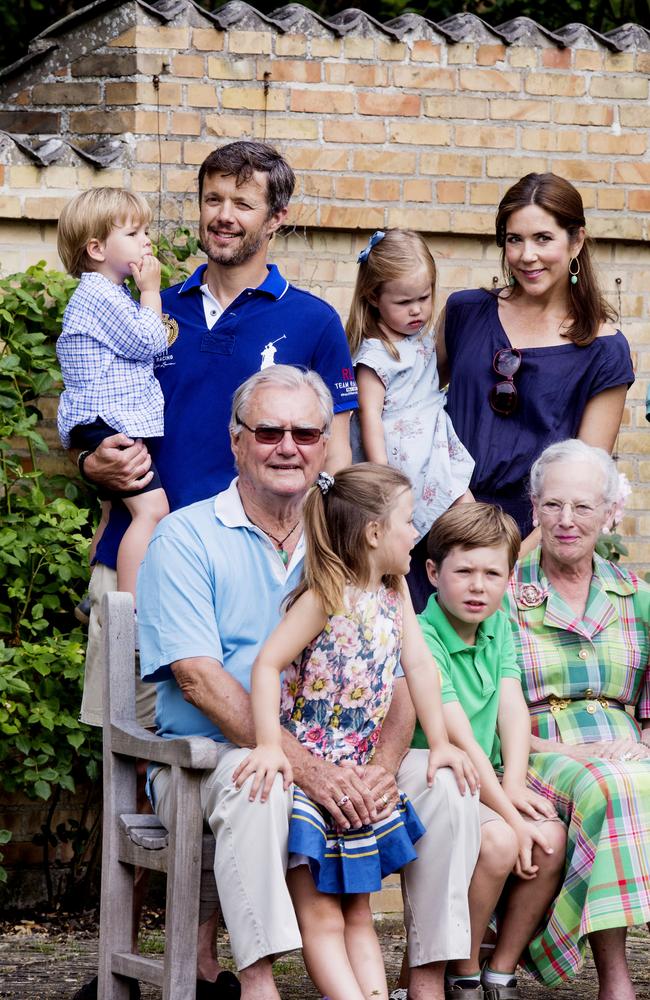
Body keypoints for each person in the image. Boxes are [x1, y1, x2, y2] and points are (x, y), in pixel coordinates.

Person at [71, 141, 357, 1000]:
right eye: (211, 198)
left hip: (261, 562)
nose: (223, 215)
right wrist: (91, 464)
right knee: (148, 745)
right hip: (142, 553)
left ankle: (201, 967)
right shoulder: (146, 305)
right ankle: (170, 961)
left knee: (233, 732)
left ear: (278, 218)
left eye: (242, 202)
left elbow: (330, 455)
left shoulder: (307, 320)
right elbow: (90, 394)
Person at [137, 366, 481, 1000]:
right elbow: (198, 680)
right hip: (216, 757)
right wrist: (312, 771)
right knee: (260, 785)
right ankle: (259, 984)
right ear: (236, 440)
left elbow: (404, 671)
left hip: (350, 753)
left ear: (326, 444)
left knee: (446, 788)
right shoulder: (186, 538)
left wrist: (381, 767)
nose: (287, 446)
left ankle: (427, 979)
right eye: (268, 431)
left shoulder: (354, 546)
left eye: (305, 431)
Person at [233, 464, 478, 1000]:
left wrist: (439, 742)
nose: (418, 533)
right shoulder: (326, 594)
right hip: (311, 785)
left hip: (358, 784)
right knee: (322, 918)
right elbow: (267, 664)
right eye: (409, 522)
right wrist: (272, 747)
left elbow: (420, 667)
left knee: (359, 915)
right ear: (374, 533)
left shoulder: (394, 595)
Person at [503, 439, 650, 999]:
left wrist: (642, 746)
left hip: (626, 757)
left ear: (611, 513)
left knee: (628, 779)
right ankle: (615, 977)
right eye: (553, 506)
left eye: (584, 507)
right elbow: (492, 716)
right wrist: (569, 753)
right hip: (536, 755)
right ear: (535, 509)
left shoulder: (638, 599)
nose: (566, 522)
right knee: (613, 785)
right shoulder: (505, 597)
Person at [413, 504, 566, 999]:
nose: (478, 587)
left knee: (550, 839)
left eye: (492, 574)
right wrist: (509, 814)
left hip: (488, 778)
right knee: (504, 841)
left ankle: (498, 971)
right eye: (464, 572)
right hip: (439, 780)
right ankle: (462, 970)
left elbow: (511, 704)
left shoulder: (500, 625)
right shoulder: (422, 635)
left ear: (508, 576)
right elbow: (456, 734)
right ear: (434, 573)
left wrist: (515, 785)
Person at [437, 172, 634, 549]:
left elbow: (583, 482)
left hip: (533, 540)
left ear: (576, 241)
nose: (527, 255)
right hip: (443, 519)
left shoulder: (604, 349)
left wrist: (509, 563)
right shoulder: (464, 311)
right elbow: (413, 403)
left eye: (543, 238)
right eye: (515, 240)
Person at [347, 228, 474, 609]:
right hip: (404, 454)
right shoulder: (374, 356)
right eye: (404, 302)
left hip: (432, 440)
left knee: (465, 508)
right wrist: (383, 477)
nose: (418, 310)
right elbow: (369, 417)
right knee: (404, 528)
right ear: (374, 297)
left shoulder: (420, 338)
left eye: (425, 297)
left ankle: (475, 570)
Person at [56, 188, 170, 609]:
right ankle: (130, 606)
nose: (147, 241)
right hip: (108, 418)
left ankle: (93, 593)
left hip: (98, 417)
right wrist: (152, 292)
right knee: (151, 511)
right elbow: (148, 340)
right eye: (134, 232)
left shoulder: (100, 294)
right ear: (97, 248)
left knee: (110, 508)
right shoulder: (102, 295)